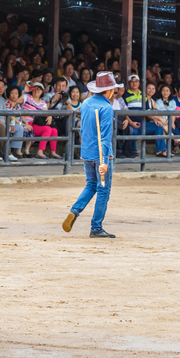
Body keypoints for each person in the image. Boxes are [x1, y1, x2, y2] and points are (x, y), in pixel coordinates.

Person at [63, 71, 122, 238]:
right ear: (109, 90)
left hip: (87, 152)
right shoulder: (106, 107)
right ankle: (96, 227)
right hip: (101, 154)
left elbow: (83, 129)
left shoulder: (86, 103)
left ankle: (75, 210)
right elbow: (105, 138)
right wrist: (104, 162)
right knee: (103, 190)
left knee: (90, 185)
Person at [22, 82, 60, 158]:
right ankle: (40, 152)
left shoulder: (43, 102)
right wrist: (24, 91)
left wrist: (49, 116)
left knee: (54, 130)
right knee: (48, 129)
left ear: (42, 91)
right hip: (27, 123)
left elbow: (45, 112)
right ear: (32, 90)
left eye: (39, 89)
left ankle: (53, 152)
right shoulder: (26, 96)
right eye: (35, 88)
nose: (37, 90)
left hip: (37, 124)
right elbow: (16, 99)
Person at [151, 83, 177, 157]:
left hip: (169, 122)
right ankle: (174, 141)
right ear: (160, 92)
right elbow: (156, 114)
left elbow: (173, 114)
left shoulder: (172, 102)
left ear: (170, 92)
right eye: (163, 91)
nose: (165, 92)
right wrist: (163, 121)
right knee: (163, 130)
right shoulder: (157, 101)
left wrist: (172, 123)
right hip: (161, 121)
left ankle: (166, 151)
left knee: (167, 129)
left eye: (167, 91)